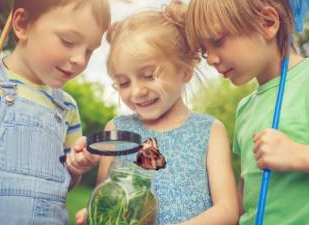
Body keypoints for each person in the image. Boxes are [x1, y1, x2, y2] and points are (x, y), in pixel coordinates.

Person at [185, 0, 309, 224]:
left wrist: (298, 155)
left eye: (218, 41)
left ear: (267, 23)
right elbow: (247, 198)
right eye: (204, 51)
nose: (210, 59)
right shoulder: (245, 108)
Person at [75, 1, 239, 225]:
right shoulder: (116, 129)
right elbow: (106, 198)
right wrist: (95, 215)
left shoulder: (210, 131)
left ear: (185, 71)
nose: (136, 92)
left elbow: (228, 210)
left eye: (149, 75)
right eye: (123, 83)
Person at [0, 0, 110, 224]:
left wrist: (75, 167)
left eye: (89, 51)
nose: (80, 59)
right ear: (22, 24)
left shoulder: (67, 108)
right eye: (68, 41)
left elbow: (65, 183)